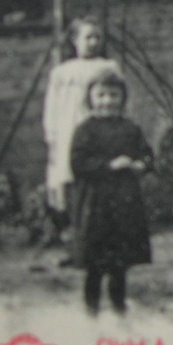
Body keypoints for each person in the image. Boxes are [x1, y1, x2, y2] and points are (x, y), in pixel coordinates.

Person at [69, 66, 153, 317]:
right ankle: (91, 309)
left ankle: (119, 306)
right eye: (101, 95)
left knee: (120, 260)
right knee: (95, 261)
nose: (107, 101)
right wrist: (108, 165)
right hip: (96, 203)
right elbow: (78, 163)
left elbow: (147, 154)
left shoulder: (130, 129)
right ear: (91, 98)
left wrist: (141, 165)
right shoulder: (86, 130)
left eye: (113, 95)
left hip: (124, 202)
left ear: (122, 98)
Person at [41, 17, 120, 253]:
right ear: (75, 41)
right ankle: (71, 239)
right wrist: (52, 134)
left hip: (95, 131)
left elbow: (118, 99)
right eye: (88, 37)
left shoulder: (108, 67)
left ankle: (99, 239)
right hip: (67, 129)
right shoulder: (62, 72)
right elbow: (52, 106)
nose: (93, 42)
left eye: (97, 37)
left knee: (94, 183)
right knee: (67, 183)